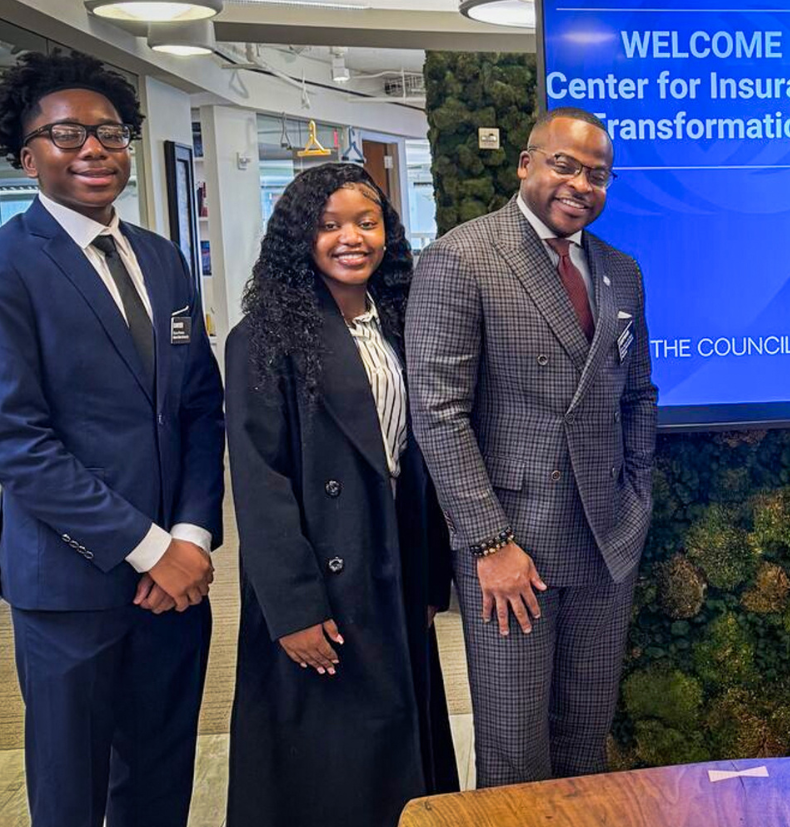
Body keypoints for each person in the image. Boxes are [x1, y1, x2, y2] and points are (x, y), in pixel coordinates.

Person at [0, 51, 224, 827]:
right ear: (27, 156)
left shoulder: (162, 258)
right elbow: (16, 441)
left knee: (160, 781)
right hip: (71, 587)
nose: (93, 148)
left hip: (176, 585)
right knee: (70, 794)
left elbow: (199, 409)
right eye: (66, 134)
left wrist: (189, 538)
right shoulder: (8, 265)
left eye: (109, 132)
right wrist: (147, 546)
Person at [406, 106, 657, 787]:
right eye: (564, 164)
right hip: (513, 551)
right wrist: (488, 543)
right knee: (516, 747)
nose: (580, 184)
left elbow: (636, 394)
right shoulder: (461, 257)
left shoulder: (621, 271)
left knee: (585, 734)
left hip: (606, 541)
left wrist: (636, 497)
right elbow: (438, 413)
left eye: (597, 175)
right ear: (527, 164)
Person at [224, 163, 459, 825]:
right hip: (321, 578)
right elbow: (258, 481)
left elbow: (418, 461)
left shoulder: (401, 324)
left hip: (394, 563)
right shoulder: (263, 338)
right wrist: (293, 610)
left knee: (397, 747)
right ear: (300, 238)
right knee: (330, 769)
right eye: (328, 226)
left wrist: (429, 580)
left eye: (366, 221)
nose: (351, 237)